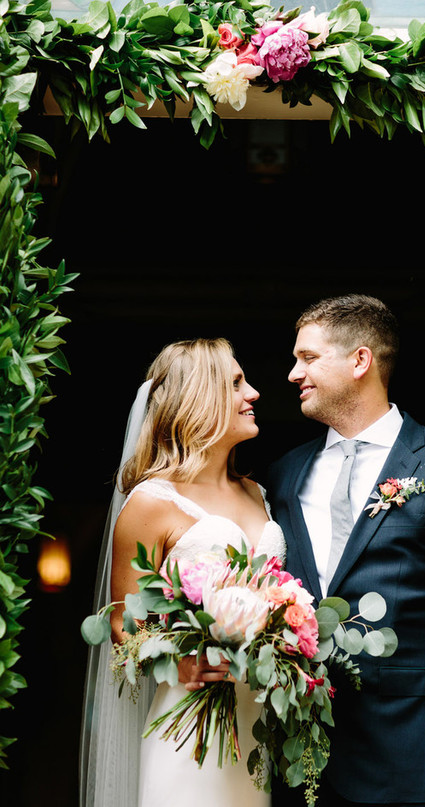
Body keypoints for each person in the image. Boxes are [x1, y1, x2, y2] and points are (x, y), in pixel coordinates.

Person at [266, 294, 425, 807]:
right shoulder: (286, 473)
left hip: (409, 751)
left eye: (308, 358)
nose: (292, 373)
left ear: (360, 361)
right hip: (300, 756)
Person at [79, 338, 286, 807]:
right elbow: (121, 623)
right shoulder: (152, 503)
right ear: (201, 396)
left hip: (255, 727)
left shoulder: (256, 493)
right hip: (190, 720)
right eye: (236, 384)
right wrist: (182, 658)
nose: (253, 393)